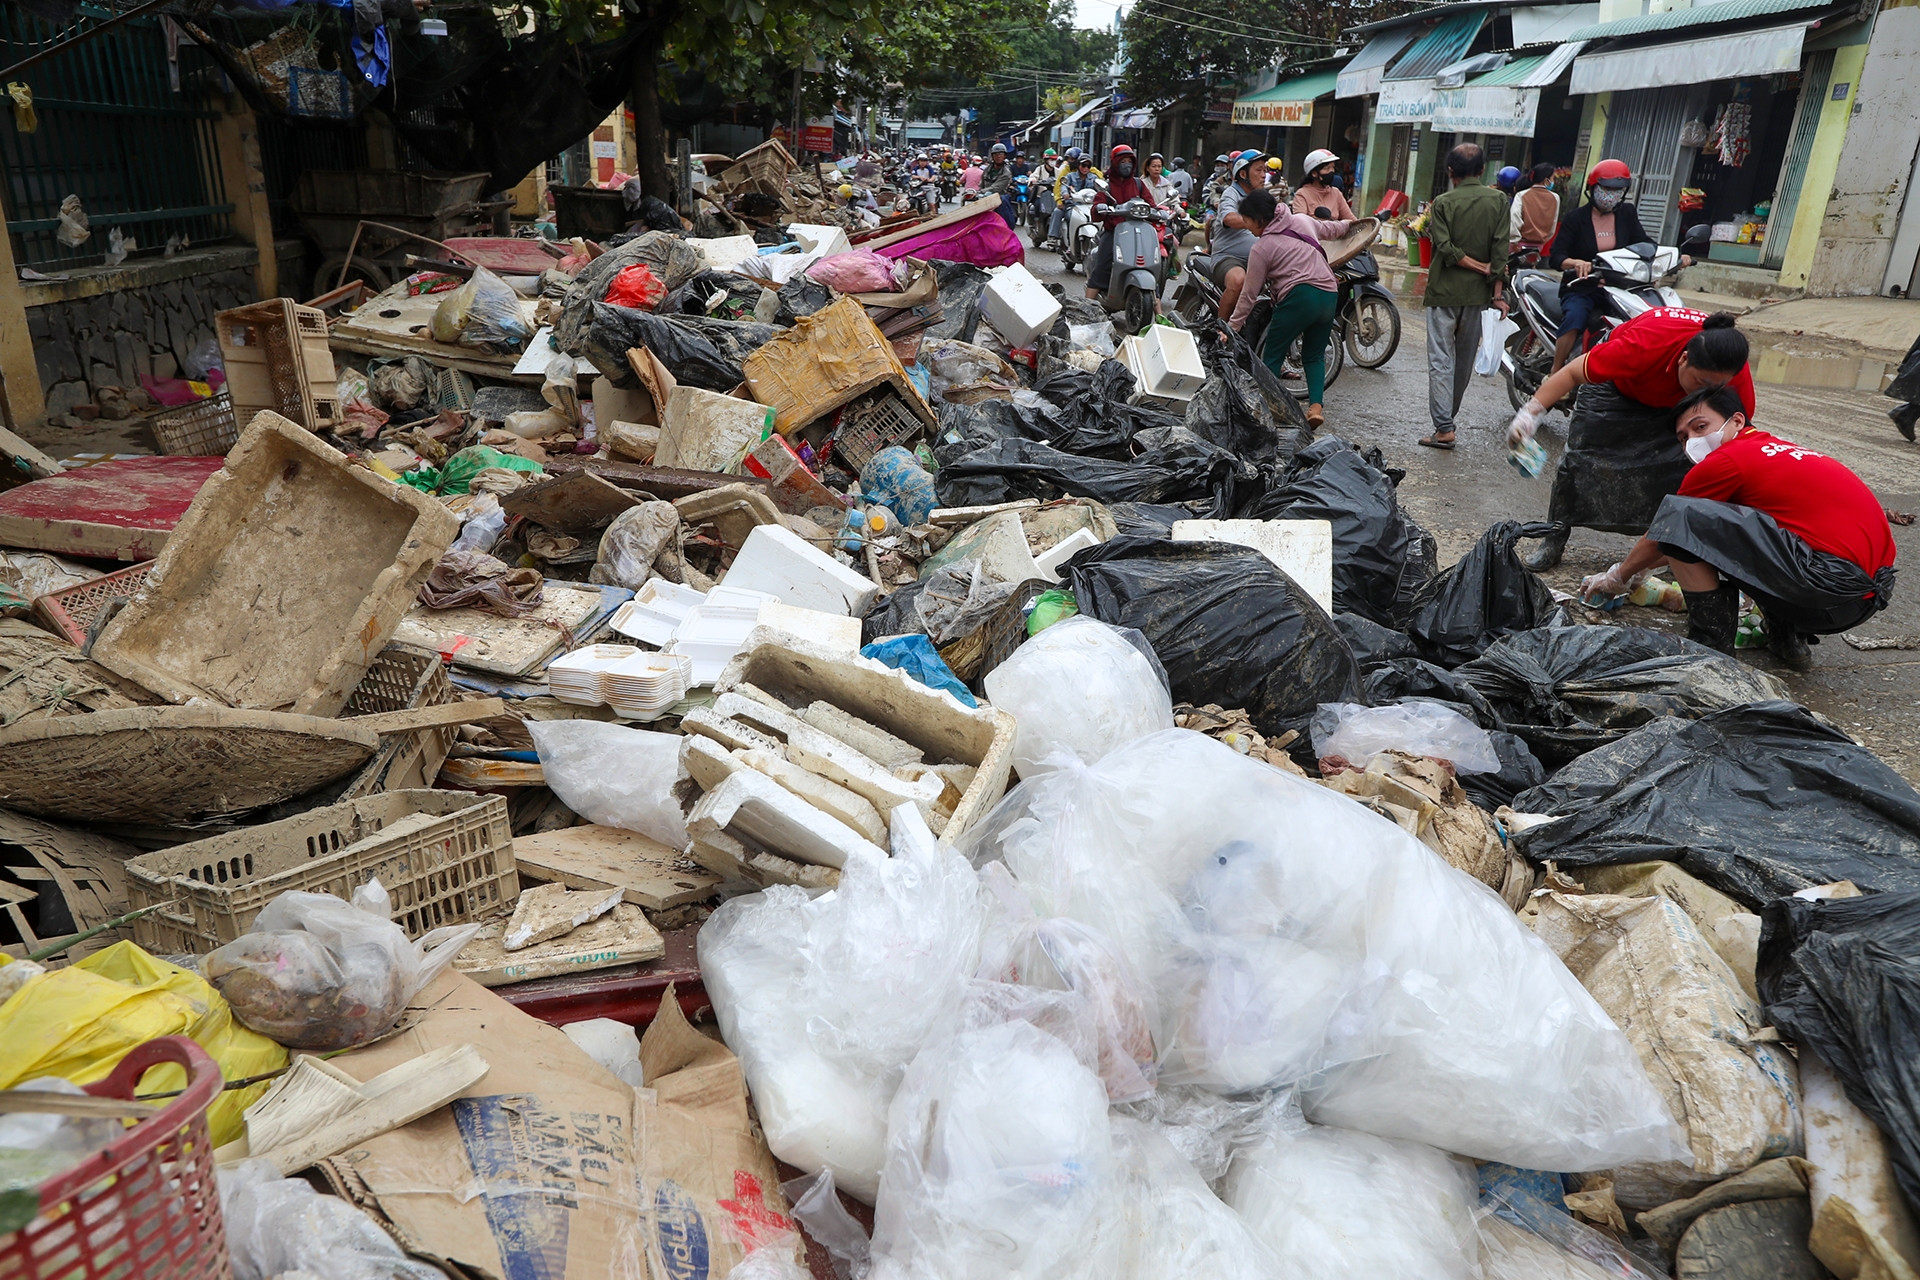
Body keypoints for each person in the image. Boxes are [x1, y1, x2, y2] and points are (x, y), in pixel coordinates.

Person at [1577, 385, 1896, 667]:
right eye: (1684, 438)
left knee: (1681, 512)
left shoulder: (1728, 459)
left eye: (1700, 427)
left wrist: (1618, 576)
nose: (1693, 441)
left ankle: (1711, 647)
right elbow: (1686, 542)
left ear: (1737, 421)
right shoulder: (1777, 451)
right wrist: (1639, 570)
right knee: (1746, 532)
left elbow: (1670, 528)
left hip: (1827, 587)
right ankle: (1785, 637)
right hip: (1863, 598)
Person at [1508, 307, 1756, 569]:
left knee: (1691, 466)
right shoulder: (1645, 345)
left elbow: (1741, 436)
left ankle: (1680, 551)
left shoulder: (1731, 369)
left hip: (1676, 404)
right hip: (1618, 386)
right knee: (1580, 459)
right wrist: (1530, 414)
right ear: (1683, 359)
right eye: (1700, 382)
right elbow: (1571, 373)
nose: (1705, 392)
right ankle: (1553, 538)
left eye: (1715, 388)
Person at [1227, 187, 1351, 428]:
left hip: (1298, 297)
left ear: (1260, 219)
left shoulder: (1261, 248)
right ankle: (1315, 408)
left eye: (1247, 220)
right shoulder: (1303, 220)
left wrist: (1232, 327)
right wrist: (1353, 224)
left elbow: (1249, 295)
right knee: (1314, 355)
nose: (1246, 226)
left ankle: (1266, 411)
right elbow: (1335, 229)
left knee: (1272, 355)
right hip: (1328, 294)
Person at [1419, 143, 1509, 449]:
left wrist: (1479, 266)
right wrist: (1497, 293)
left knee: (1440, 360)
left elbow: (1444, 249)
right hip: (1478, 296)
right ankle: (1446, 422)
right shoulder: (1498, 200)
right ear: (1483, 170)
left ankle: (1444, 427)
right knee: (1463, 362)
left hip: (1443, 292)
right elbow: (1500, 250)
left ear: (1450, 172)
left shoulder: (1443, 203)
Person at [1545, 158, 1649, 374]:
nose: (1611, 195)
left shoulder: (1627, 214)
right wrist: (1575, 262)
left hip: (1618, 288)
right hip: (1581, 287)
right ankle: (1556, 372)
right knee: (1575, 317)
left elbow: (1644, 244)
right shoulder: (1576, 218)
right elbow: (1556, 256)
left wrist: (1675, 256)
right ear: (1593, 188)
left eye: (1617, 190)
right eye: (1606, 189)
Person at [1085, 143, 1161, 298]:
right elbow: (1097, 205)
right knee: (1102, 267)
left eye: (1129, 162)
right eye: (1123, 161)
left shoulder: (1138, 184)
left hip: (1138, 232)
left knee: (1151, 265)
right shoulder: (1107, 185)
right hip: (1114, 232)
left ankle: (1158, 310)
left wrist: (1159, 212)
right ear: (1115, 163)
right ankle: (1085, 305)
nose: (1127, 165)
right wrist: (1100, 207)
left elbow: (1151, 204)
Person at [1209, 150, 1266, 323]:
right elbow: (1228, 217)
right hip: (1228, 258)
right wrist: (1256, 222)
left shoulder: (1262, 197)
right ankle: (1221, 329)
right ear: (1243, 174)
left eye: (1265, 170)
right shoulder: (1231, 193)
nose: (1264, 175)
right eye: (1259, 170)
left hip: (1259, 259)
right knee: (1238, 280)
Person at [1055, 149, 1101, 248]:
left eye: (1088, 166)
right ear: (1078, 165)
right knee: (1069, 216)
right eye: (1083, 165)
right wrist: (1065, 194)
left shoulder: (1094, 177)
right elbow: (1063, 185)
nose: (1085, 168)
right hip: (1073, 205)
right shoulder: (1069, 175)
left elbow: (1100, 186)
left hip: (1089, 206)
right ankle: (1069, 243)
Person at [1293, 148, 1355, 220]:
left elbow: (1352, 220)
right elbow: (1300, 222)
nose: (1332, 171)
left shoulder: (1336, 193)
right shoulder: (1302, 194)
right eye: (1327, 168)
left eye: (1333, 167)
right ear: (1314, 173)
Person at [1511, 160, 1559, 251]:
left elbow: (1514, 220)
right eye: (1553, 178)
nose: (1554, 181)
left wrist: (1514, 241)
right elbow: (1553, 225)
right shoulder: (1555, 198)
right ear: (1546, 180)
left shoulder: (1522, 195)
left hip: (1519, 245)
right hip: (1539, 246)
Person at [981, 143, 1015, 227]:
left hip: (999, 199)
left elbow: (996, 187)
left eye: (1001, 154)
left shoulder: (1006, 173)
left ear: (1004, 156)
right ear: (992, 156)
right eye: (996, 154)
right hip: (985, 199)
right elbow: (981, 184)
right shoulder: (987, 170)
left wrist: (981, 191)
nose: (998, 156)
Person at [1032, 149, 1061, 247]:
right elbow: (1033, 176)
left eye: (1054, 160)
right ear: (1046, 160)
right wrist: (1033, 180)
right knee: (1037, 204)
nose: (1053, 162)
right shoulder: (1039, 169)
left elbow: (1063, 179)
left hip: (1055, 195)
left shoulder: (1058, 171)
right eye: (1051, 160)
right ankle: (1036, 222)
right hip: (1041, 195)